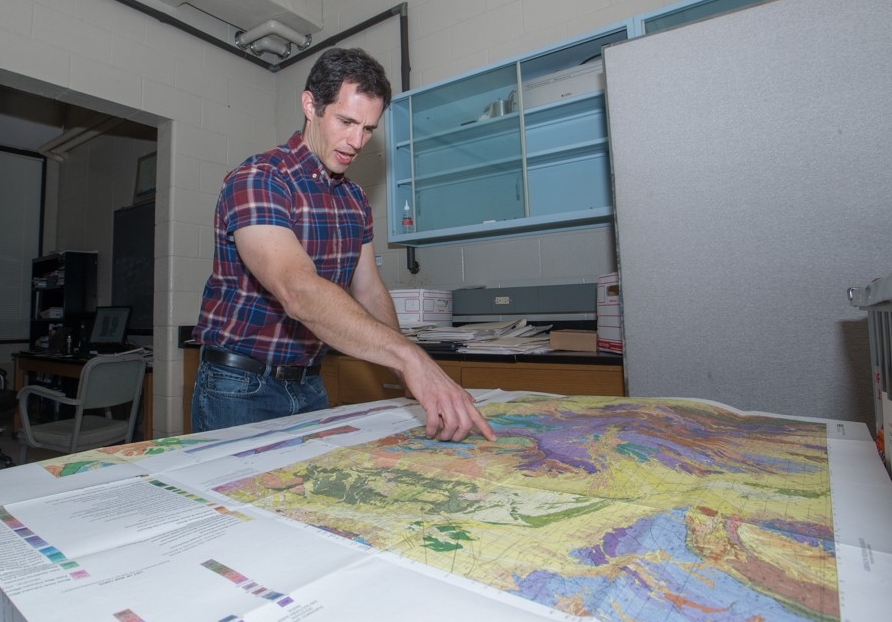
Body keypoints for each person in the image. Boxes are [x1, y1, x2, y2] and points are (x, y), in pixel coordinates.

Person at [191, 47, 495, 443]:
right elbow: (297, 290)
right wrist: (410, 359)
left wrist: (408, 378)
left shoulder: (354, 199)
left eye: (368, 129)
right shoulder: (259, 179)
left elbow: (369, 291)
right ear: (310, 105)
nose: (356, 141)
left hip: (309, 384)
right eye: (346, 121)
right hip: (239, 386)